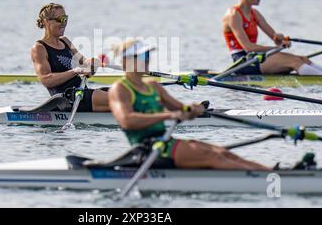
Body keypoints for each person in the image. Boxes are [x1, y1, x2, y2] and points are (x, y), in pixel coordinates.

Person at [108, 39, 269, 170]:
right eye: (143, 57)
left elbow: (180, 109)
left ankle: (272, 173)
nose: (148, 60)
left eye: (148, 56)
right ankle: (266, 179)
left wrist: (194, 109)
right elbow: (127, 120)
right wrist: (170, 115)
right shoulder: (120, 89)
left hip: (165, 142)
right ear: (126, 61)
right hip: (147, 149)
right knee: (213, 157)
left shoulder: (153, 86)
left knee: (223, 152)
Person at [222, 0, 322, 75]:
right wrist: (276, 48)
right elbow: (248, 47)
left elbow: (275, 38)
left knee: (303, 59)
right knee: (294, 62)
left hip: (254, 57)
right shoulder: (233, 15)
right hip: (243, 62)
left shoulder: (255, 14)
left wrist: (280, 40)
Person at [31, 3, 110, 112]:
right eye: (60, 19)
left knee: (124, 93)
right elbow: (46, 80)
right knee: (122, 100)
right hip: (67, 99)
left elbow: (86, 65)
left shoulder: (65, 41)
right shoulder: (39, 48)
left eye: (65, 19)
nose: (64, 23)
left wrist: (94, 62)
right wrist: (75, 71)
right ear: (47, 21)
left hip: (81, 93)